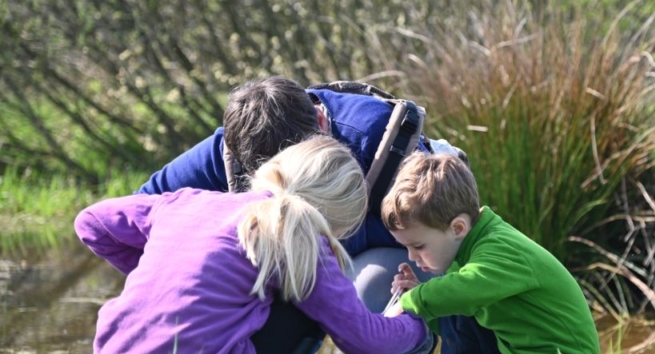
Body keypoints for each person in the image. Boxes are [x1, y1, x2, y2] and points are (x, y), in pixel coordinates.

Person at [75, 136, 431, 354]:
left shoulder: (188, 200)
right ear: (335, 215)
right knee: (307, 305)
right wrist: (417, 326)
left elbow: (90, 221)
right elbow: (365, 341)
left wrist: (159, 274)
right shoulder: (299, 235)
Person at [136, 75, 440, 313]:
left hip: (384, 259)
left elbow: (447, 233)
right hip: (294, 266)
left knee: (370, 292)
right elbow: (137, 212)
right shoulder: (233, 147)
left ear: (321, 123)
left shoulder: (379, 141)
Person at [380, 152, 601, 354]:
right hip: (520, 348)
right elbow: (456, 305)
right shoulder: (466, 248)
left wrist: (412, 300)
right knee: (454, 311)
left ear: (458, 228)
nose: (412, 256)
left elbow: (466, 289)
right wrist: (422, 296)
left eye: (418, 245)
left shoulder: (498, 248)